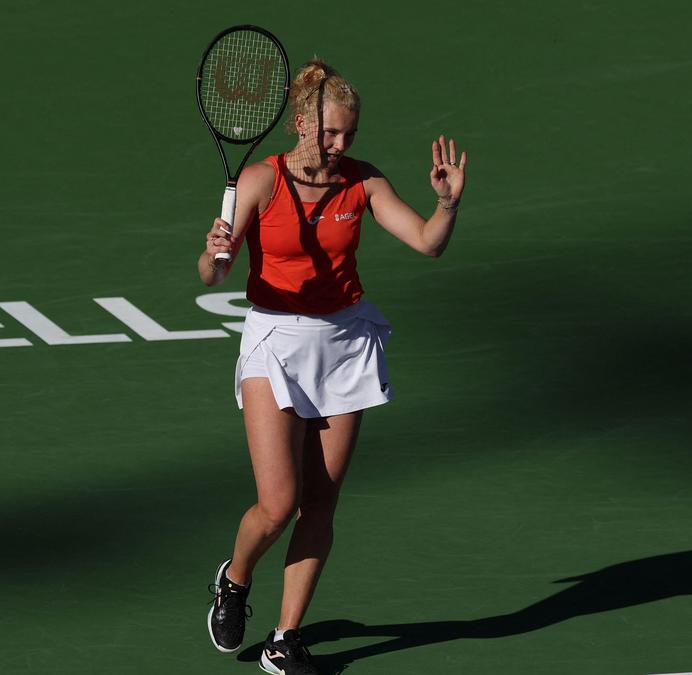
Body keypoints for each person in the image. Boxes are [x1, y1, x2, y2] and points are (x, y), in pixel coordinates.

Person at [198, 58, 467, 675]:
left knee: (320, 505)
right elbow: (214, 270)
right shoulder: (260, 182)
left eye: (348, 135)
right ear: (300, 124)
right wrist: (214, 256)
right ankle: (235, 579)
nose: (340, 145)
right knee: (278, 503)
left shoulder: (363, 183)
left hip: (345, 342)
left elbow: (427, 242)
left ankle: (283, 640)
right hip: (275, 342)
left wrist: (446, 204)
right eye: (329, 133)